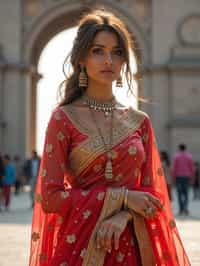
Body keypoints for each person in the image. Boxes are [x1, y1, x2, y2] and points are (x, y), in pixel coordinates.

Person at [29, 9, 190, 266]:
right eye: (98, 51)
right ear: (81, 58)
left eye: (117, 52)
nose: (109, 60)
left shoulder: (140, 122)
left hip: (134, 248)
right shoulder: (63, 119)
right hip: (79, 250)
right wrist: (123, 197)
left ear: (125, 60)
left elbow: (154, 194)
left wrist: (122, 215)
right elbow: (50, 198)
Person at [171, 144, 195, 215]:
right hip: (187, 177)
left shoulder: (176, 156)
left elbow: (174, 168)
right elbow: (192, 168)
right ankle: (185, 208)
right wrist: (192, 178)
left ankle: (181, 209)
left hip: (178, 177)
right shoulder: (189, 156)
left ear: (179, 148)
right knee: (186, 194)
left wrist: (173, 178)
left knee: (179, 194)